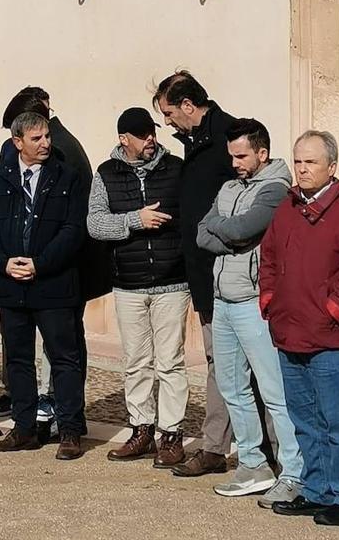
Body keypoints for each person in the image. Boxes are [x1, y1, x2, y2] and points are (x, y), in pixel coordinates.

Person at [260, 130, 339, 527]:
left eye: (310, 162)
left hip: (332, 336)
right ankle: (315, 490)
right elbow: (270, 258)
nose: (302, 169)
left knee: (338, 421)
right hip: (291, 331)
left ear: (331, 166)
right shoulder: (287, 207)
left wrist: (335, 305)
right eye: (298, 161)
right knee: (305, 420)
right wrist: (270, 301)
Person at [196, 118, 301, 507]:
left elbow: (245, 229)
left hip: (253, 303)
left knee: (274, 392)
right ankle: (253, 465)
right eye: (232, 156)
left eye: (242, 155)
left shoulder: (275, 189)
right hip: (222, 299)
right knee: (232, 388)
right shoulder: (228, 187)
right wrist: (230, 236)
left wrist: (227, 233)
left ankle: (294, 470)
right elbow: (202, 232)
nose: (236, 162)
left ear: (262, 152)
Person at [0, 111, 88, 459]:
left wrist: (40, 264)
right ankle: (24, 428)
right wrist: (3, 261)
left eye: (46, 136)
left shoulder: (66, 176)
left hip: (53, 283)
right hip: (11, 283)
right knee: (19, 360)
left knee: (64, 358)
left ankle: (70, 428)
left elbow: (73, 230)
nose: (45, 143)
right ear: (17, 142)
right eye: (36, 138)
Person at [86, 107, 190, 467]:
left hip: (172, 281)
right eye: (142, 135)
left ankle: (172, 434)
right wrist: (135, 220)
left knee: (171, 362)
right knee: (136, 362)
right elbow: (95, 224)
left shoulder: (175, 169)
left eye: (152, 133)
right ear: (123, 139)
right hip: (127, 284)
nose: (150, 140)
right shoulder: (106, 174)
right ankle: (141, 428)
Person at [153, 70, 237, 477]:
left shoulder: (231, 138)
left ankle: (251, 449)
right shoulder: (195, 141)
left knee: (242, 365)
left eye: (169, 112)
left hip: (231, 275)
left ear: (189, 106)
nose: (167, 121)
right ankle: (218, 446)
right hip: (204, 274)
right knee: (217, 360)